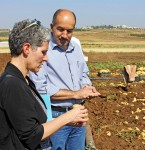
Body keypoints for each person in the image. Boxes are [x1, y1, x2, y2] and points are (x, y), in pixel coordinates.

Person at [0, 19, 89, 150]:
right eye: (43, 52)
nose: (46, 58)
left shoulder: (23, 80)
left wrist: (68, 120)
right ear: (26, 48)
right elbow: (32, 136)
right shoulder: (13, 84)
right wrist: (68, 116)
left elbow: (30, 123)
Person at [29, 9, 100, 150]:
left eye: (69, 31)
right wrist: (76, 94)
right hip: (55, 116)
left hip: (78, 113)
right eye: (60, 29)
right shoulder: (42, 50)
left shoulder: (76, 47)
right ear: (51, 26)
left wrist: (86, 86)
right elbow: (40, 89)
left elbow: (84, 73)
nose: (65, 35)